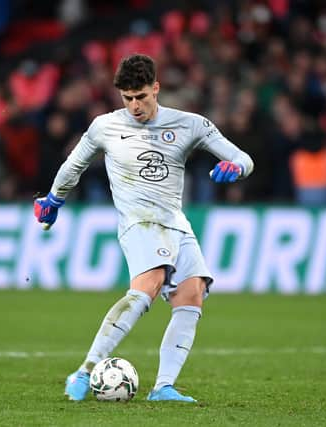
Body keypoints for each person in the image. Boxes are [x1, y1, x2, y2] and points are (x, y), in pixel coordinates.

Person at [33, 54, 254, 402]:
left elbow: (243, 157)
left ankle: (163, 387)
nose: (135, 106)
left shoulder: (190, 124)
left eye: (141, 97)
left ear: (156, 88)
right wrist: (53, 201)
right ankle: (85, 370)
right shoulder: (105, 126)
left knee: (192, 294)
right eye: (127, 98)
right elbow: (73, 164)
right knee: (148, 286)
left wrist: (235, 168)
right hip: (139, 222)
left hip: (175, 222)